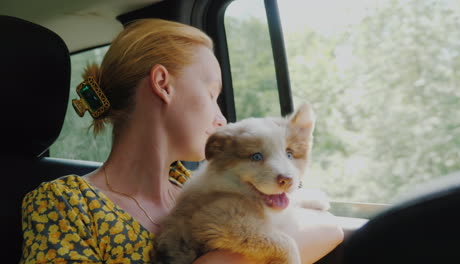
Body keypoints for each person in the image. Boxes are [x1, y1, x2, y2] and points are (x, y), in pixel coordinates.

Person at [20, 18, 343, 264]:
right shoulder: (62, 203)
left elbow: (329, 227)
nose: (222, 118)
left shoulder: (201, 187)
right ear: (163, 84)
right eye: (212, 94)